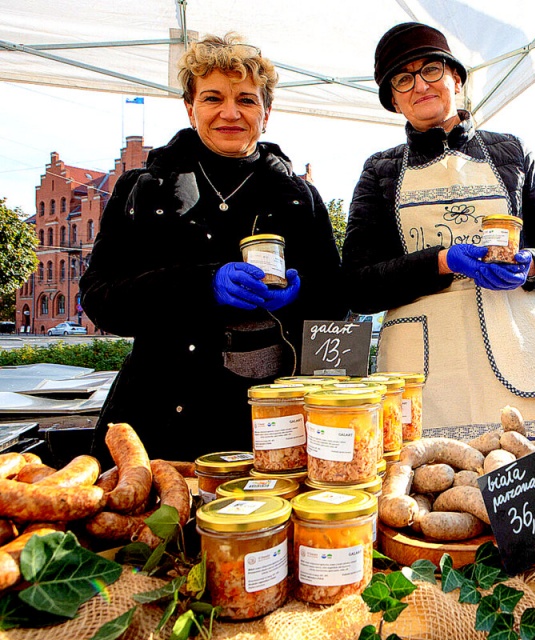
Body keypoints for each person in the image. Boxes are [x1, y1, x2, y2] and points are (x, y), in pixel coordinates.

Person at [80, 33, 346, 462]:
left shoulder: (301, 198)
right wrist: (202, 285)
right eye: (212, 98)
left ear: (267, 112)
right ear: (190, 108)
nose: (229, 112)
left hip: (271, 429)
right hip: (161, 421)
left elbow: (336, 304)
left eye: (246, 99)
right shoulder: (143, 190)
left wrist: (304, 296)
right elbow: (99, 300)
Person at [342, 23, 535, 445]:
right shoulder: (379, 170)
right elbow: (358, 285)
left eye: (431, 70)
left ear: (456, 77)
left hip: (524, 355)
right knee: (428, 499)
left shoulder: (513, 153)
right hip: (428, 371)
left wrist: (532, 266)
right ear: (394, 101)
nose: (420, 85)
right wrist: (440, 261)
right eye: (403, 79)